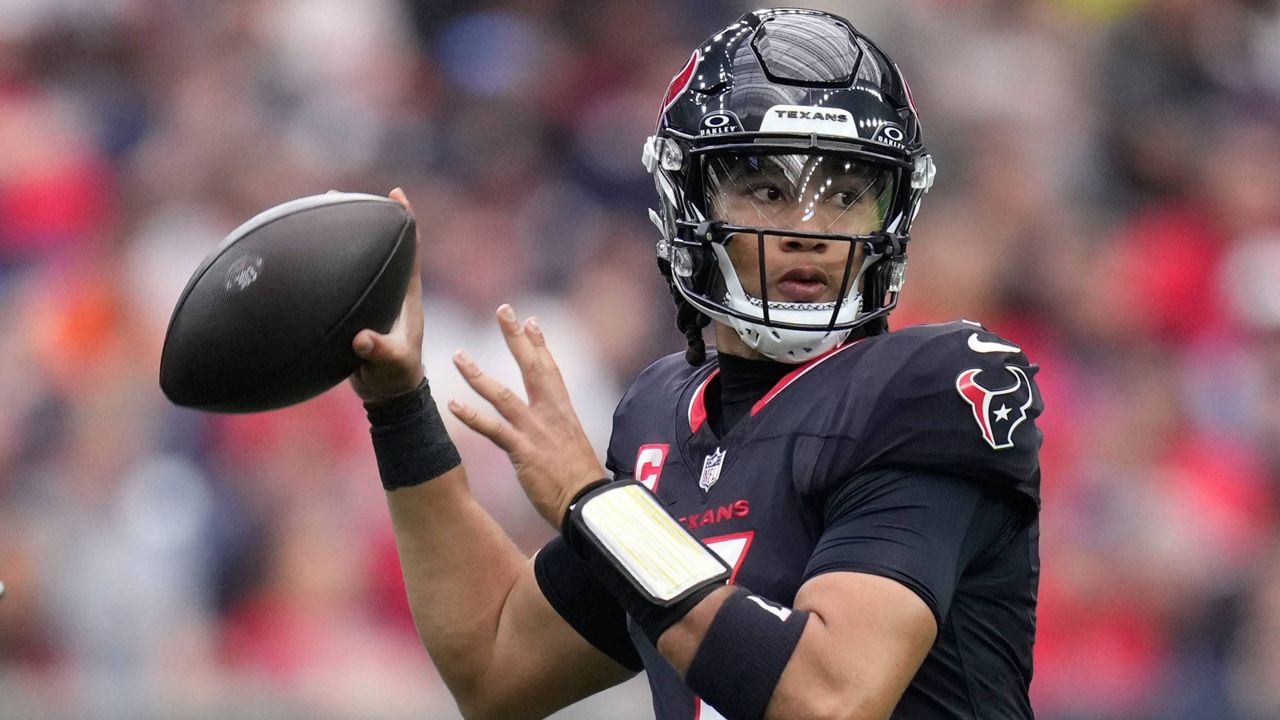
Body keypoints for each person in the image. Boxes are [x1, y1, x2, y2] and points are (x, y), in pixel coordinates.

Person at [350, 8, 1042, 720]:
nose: (809, 232)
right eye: (769, 190)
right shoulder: (660, 418)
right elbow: (495, 666)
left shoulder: (933, 386)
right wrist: (400, 406)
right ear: (689, 205)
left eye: (844, 195)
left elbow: (829, 697)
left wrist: (594, 505)